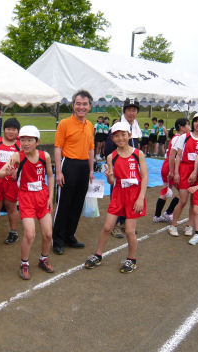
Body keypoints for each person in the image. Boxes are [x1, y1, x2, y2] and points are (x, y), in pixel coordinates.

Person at [84, 122, 148, 273]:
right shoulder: (111, 157)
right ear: (112, 138)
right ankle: (98, 254)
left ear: (129, 135)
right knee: (107, 227)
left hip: (134, 195)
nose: (120, 138)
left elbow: (144, 177)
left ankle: (132, 259)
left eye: (123, 134)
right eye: (116, 135)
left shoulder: (138, 154)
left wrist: (141, 198)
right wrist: (109, 177)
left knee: (129, 231)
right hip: (118, 194)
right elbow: (112, 182)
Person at [0, 125, 55, 280]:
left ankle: (43, 258)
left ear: (37, 141)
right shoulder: (17, 156)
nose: (26, 143)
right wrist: (7, 171)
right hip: (26, 198)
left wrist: (50, 197)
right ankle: (24, 263)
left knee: (48, 234)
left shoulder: (45, 156)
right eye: (23, 140)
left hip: (43, 198)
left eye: (30, 140)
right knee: (29, 234)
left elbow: (50, 175)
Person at [53, 90, 94, 255]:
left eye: (85, 104)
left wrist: (91, 170)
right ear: (73, 105)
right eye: (78, 104)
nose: (81, 107)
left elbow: (91, 150)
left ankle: (70, 235)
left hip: (84, 166)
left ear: (89, 106)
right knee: (65, 203)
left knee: (78, 203)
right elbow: (57, 148)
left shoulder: (90, 125)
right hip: (68, 165)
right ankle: (57, 239)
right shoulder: (64, 123)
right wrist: (58, 172)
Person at [168, 112, 198, 237]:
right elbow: (178, 155)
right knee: (183, 200)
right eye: (196, 120)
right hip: (184, 170)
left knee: (194, 202)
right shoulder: (184, 137)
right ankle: (173, 225)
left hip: (197, 172)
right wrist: (176, 172)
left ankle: (189, 226)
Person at [111, 98, 143, 238]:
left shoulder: (135, 126)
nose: (132, 112)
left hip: (131, 169)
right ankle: (115, 225)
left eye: (134, 110)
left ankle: (124, 222)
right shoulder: (119, 126)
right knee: (117, 197)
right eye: (129, 109)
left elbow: (135, 146)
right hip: (119, 169)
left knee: (130, 197)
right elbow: (110, 148)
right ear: (124, 111)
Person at [153, 118, 189, 223]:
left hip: (168, 165)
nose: (189, 127)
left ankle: (158, 215)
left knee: (166, 190)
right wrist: (172, 171)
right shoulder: (179, 138)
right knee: (183, 191)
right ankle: (167, 213)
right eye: (187, 125)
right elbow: (173, 155)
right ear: (181, 127)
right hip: (170, 166)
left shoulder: (177, 137)